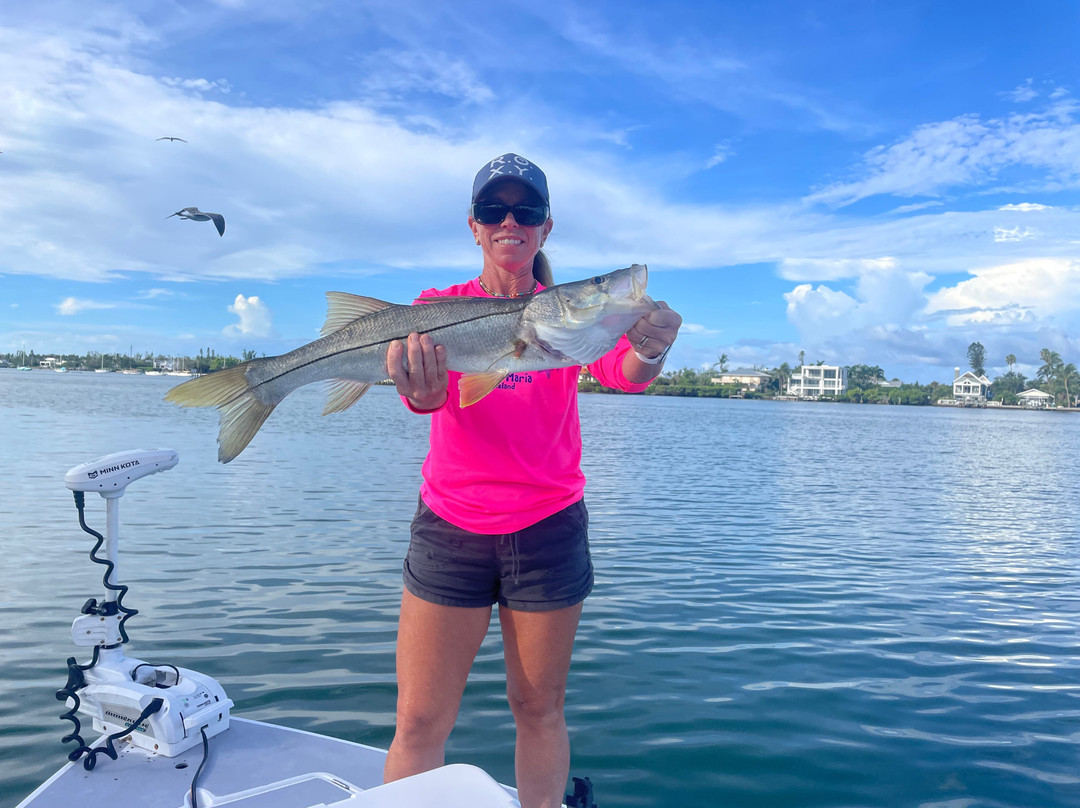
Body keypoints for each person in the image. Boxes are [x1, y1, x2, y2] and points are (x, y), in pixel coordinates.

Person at [382, 153, 682, 808]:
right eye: (494, 209)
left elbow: (624, 372)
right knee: (419, 721)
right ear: (474, 226)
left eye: (527, 210)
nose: (510, 221)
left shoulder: (571, 315)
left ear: (546, 228)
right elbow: (425, 398)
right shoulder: (438, 309)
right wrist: (423, 393)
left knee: (539, 708)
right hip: (451, 528)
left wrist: (653, 346)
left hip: (548, 531)